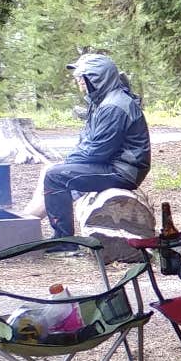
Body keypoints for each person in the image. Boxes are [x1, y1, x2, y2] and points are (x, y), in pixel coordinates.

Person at [43, 49, 151, 238]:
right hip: (114, 165)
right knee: (53, 173)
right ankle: (26, 222)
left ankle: (63, 241)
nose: (79, 81)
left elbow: (98, 151)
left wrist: (67, 163)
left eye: (83, 76)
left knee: (55, 176)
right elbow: (89, 142)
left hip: (123, 171)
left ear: (99, 78)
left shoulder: (113, 106)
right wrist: (68, 163)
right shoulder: (103, 101)